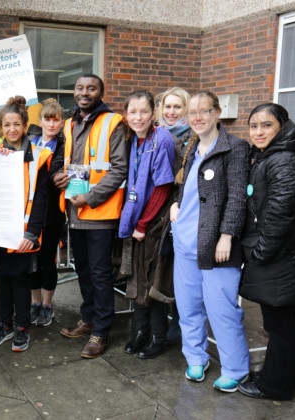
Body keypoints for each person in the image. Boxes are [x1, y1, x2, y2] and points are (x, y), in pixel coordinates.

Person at [170, 90, 250, 392]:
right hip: (185, 242)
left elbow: (237, 197)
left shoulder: (236, 148)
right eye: (193, 112)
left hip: (218, 245)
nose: (198, 117)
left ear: (217, 112)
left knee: (222, 309)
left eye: (205, 111)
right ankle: (196, 357)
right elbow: (185, 188)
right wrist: (175, 206)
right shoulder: (190, 148)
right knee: (189, 307)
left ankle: (236, 368)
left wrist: (227, 235)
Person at [238, 103, 295, 400]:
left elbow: (279, 216)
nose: (259, 131)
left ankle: (275, 386)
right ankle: (288, 377)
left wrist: (259, 255)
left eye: (266, 125)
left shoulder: (282, 161)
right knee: (282, 323)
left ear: (281, 126)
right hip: (279, 255)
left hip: (279, 255)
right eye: (254, 125)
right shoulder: (270, 156)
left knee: (279, 325)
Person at [53, 74, 129, 359]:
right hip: (75, 211)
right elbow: (67, 161)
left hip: (101, 212)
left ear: (100, 92)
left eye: (91, 88)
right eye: (80, 88)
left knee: (99, 273)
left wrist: (91, 197)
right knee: (82, 269)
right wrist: (59, 176)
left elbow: (119, 169)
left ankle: (101, 330)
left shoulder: (113, 122)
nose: (84, 93)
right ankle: (88, 318)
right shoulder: (70, 123)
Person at [0, 96, 51, 352]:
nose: (12, 129)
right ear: (1, 127)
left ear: (24, 126)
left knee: (20, 281)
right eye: (7, 125)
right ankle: (4, 324)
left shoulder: (40, 157)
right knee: (1, 281)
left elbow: (41, 197)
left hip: (22, 233)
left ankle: (22, 327)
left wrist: (32, 232)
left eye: (16, 124)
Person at [119, 91, 175, 359]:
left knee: (151, 280)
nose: (138, 117)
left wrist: (142, 223)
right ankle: (140, 331)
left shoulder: (161, 138)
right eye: (133, 112)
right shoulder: (132, 140)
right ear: (126, 114)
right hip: (136, 218)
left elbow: (163, 187)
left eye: (143, 111)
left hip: (153, 222)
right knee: (136, 278)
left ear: (153, 112)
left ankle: (158, 337)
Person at [155, 86, 193, 344]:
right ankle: (162, 320)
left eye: (177, 107)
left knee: (180, 269)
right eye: (167, 106)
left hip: (182, 209)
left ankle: (180, 321)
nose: (171, 112)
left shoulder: (194, 137)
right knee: (161, 266)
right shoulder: (155, 134)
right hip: (157, 210)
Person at [26, 98, 65, 327]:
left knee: (47, 260)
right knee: (31, 260)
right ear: (40, 121)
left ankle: (48, 305)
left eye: (56, 119)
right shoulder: (29, 141)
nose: (51, 124)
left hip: (52, 212)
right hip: (30, 211)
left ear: (61, 122)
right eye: (47, 119)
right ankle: (35, 302)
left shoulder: (64, 145)